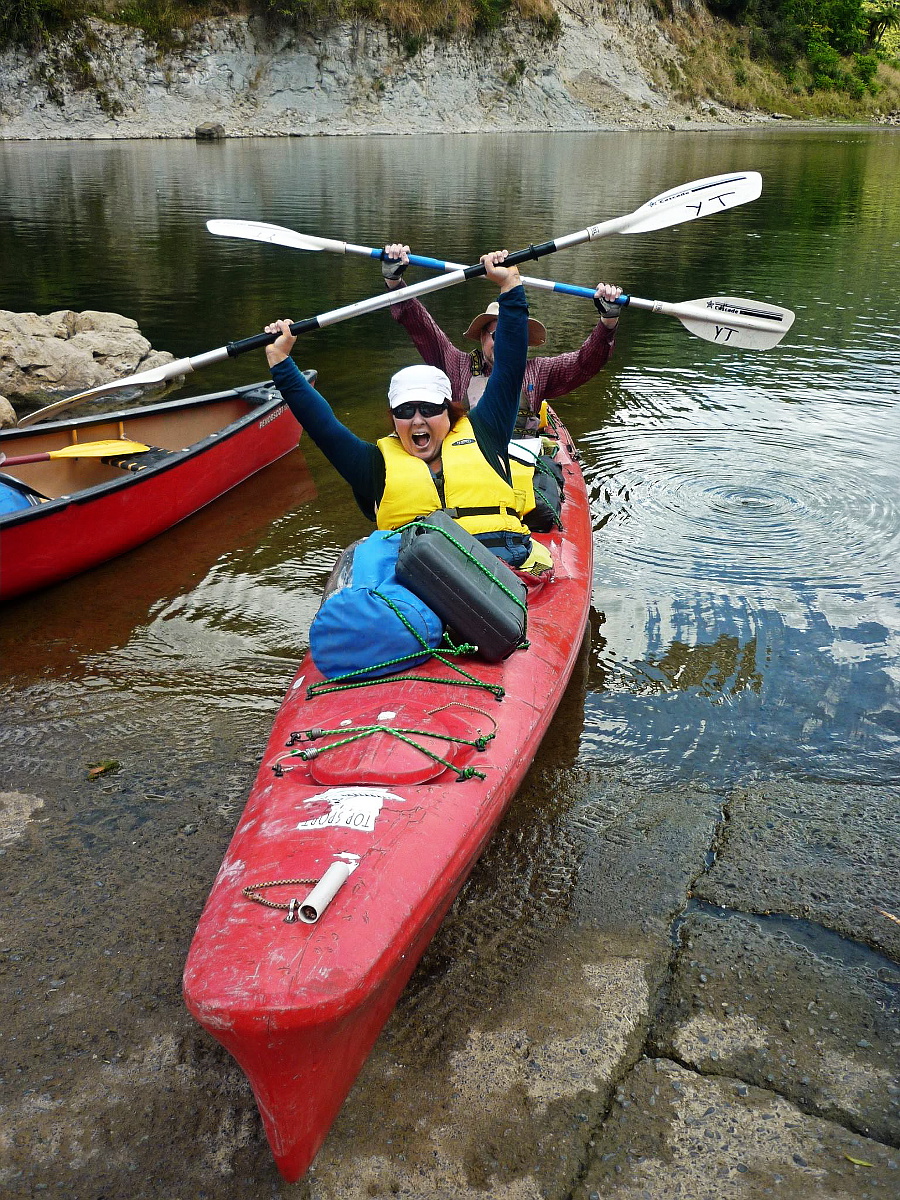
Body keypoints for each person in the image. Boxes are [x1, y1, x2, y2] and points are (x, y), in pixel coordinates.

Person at [264, 250, 553, 576]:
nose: (417, 420)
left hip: (506, 575)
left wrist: (510, 286)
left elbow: (510, 367)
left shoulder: (486, 432)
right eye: (405, 411)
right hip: (422, 585)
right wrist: (280, 362)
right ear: (393, 419)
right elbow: (323, 427)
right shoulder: (374, 466)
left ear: (449, 412)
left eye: (428, 408)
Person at [380, 242, 623, 432]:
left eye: (512, 336)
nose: (505, 342)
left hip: (521, 463)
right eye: (498, 335)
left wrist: (608, 322)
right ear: (482, 337)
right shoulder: (456, 364)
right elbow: (421, 326)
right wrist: (395, 282)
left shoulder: (539, 371)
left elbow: (585, 363)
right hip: (468, 458)